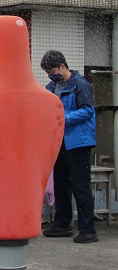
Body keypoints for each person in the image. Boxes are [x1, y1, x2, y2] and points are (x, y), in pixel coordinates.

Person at [40, 50, 98, 244]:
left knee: (80, 187)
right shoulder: (52, 86)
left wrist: (63, 119)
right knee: (61, 185)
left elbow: (88, 111)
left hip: (79, 143)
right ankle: (62, 224)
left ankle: (88, 230)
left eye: (52, 70)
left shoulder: (80, 85)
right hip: (60, 143)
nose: (50, 74)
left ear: (62, 66)